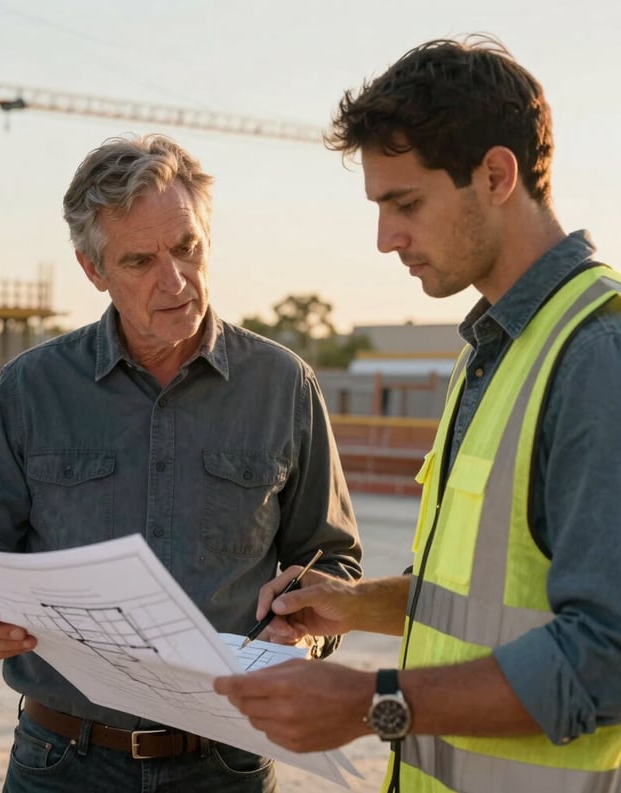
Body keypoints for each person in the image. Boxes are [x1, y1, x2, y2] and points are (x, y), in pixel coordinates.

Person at [215, 36, 621, 793]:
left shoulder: (597, 356)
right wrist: (350, 603)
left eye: (406, 204)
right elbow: (487, 601)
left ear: (497, 175)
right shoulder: (489, 349)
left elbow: (606, 658)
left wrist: (376, 704)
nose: (385, 238)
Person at [0, 133, 363, 793]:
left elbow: (335, 563)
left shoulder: (284, 386)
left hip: (227, 763)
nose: (176, 280)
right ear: (93, 269)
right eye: (140, 260)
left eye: (187, 247)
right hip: (61, 760)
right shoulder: (31, 390)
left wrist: (307, 634)